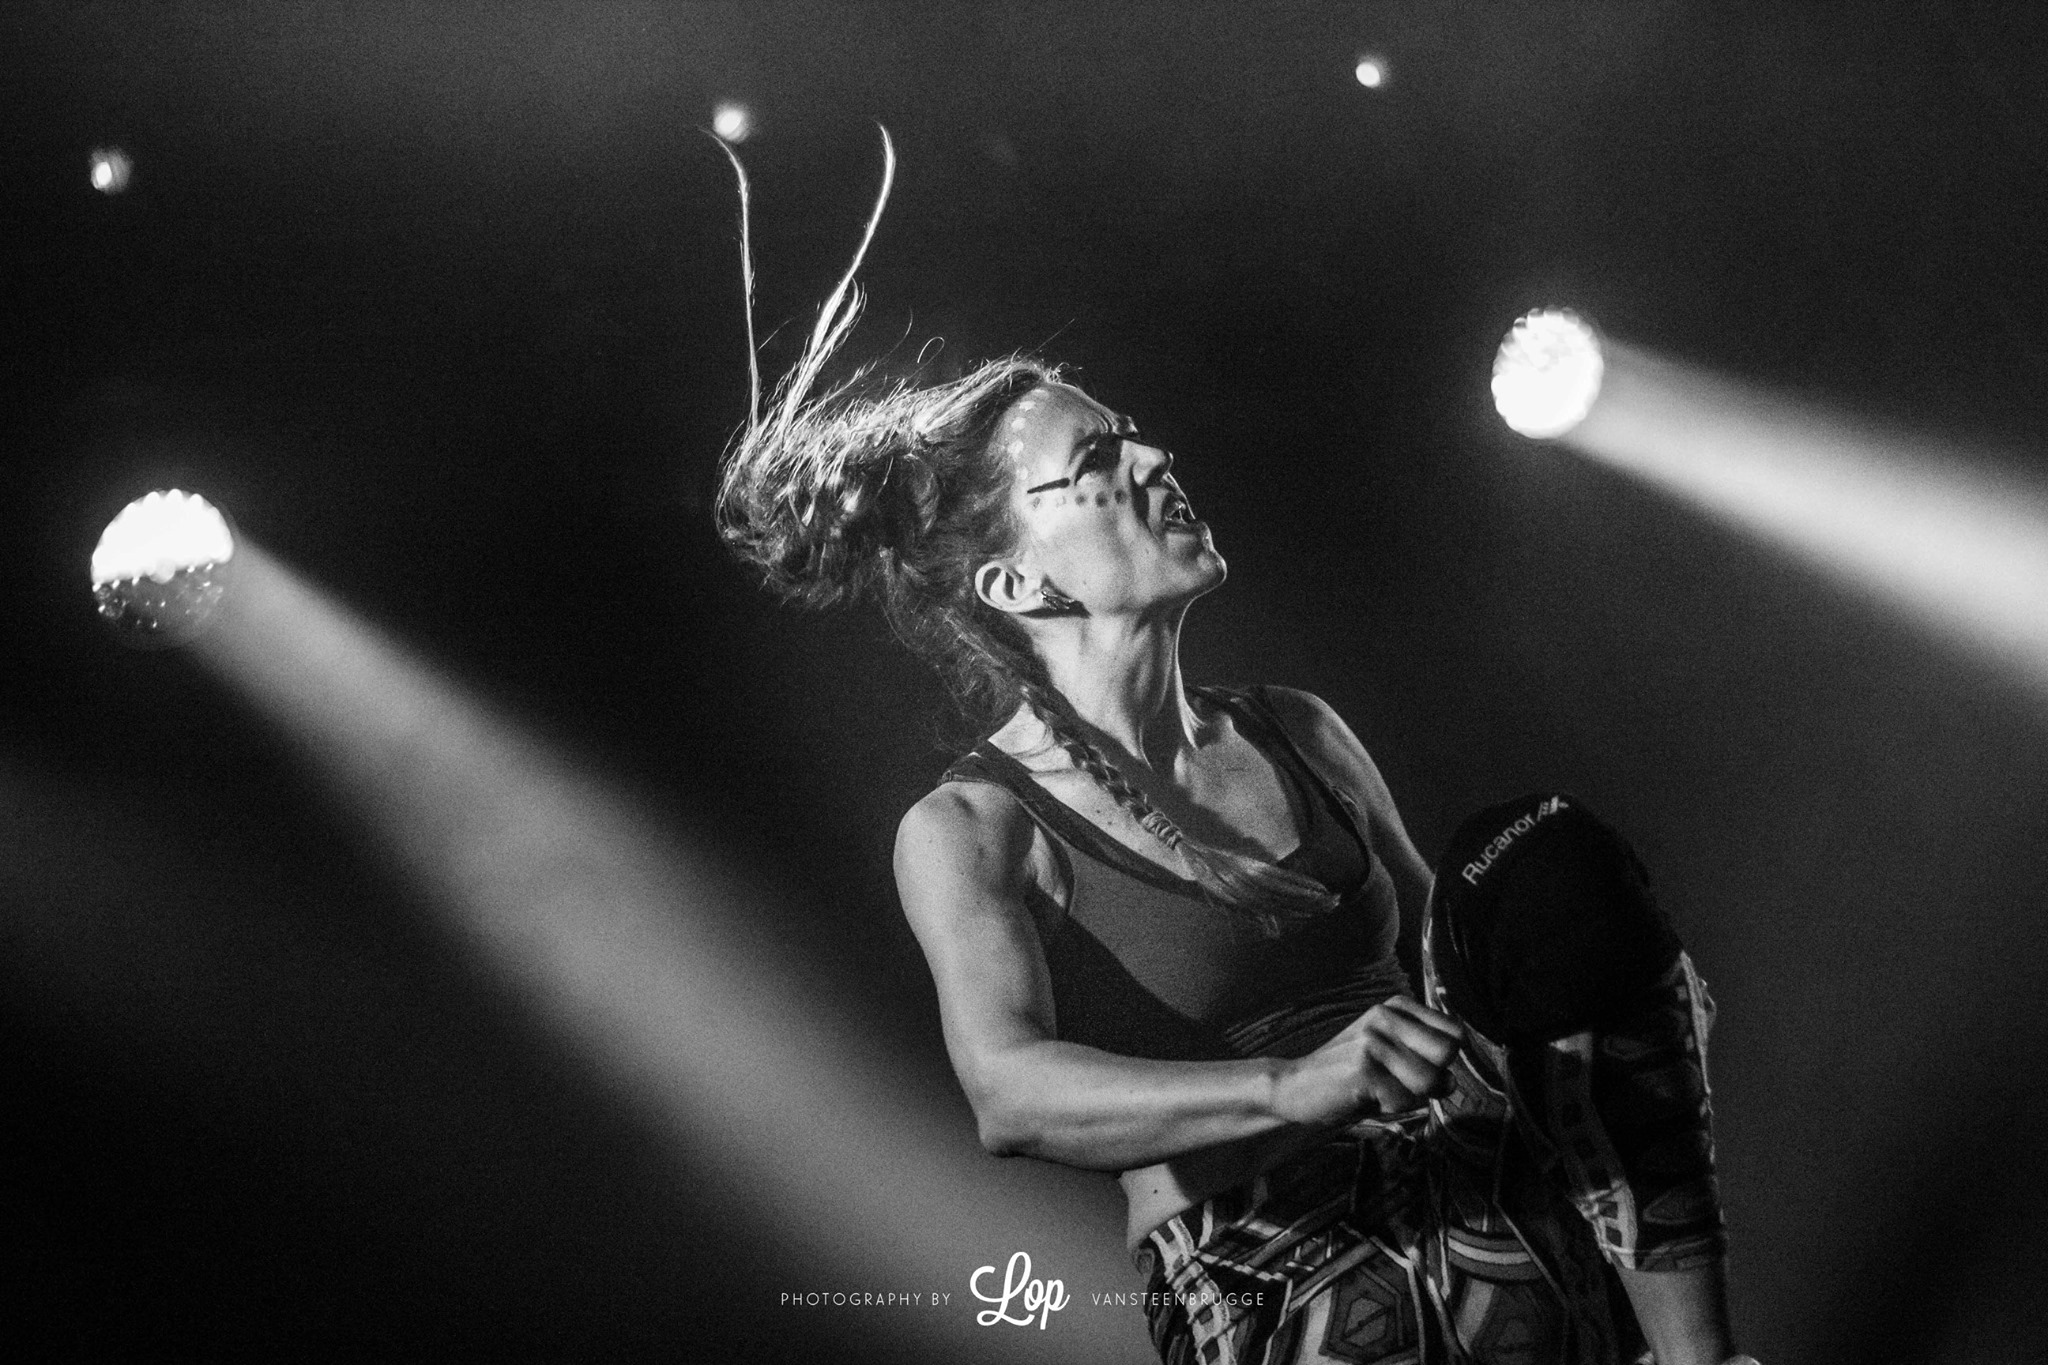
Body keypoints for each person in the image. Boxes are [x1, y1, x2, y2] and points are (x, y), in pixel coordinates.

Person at [713, 138, 1748, 1365]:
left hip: (1501, 1216)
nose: (1154, 461)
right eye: (1096, 466)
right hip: (1281, 1280)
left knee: (1545, 865)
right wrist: (1291, 1087)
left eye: (1134, 438)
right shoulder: (972, 831)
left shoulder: (1295, 731)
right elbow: (1007, 1093)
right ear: (1015, 582)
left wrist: (1600, 986)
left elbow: (1456, 985)